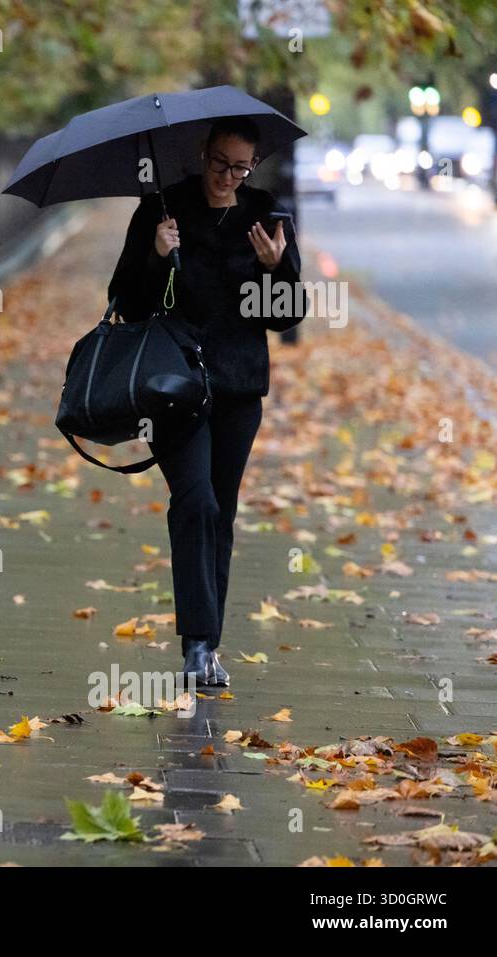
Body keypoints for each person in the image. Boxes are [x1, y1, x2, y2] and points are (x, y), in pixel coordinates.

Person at [106, 116, 305, 687]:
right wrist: (154, 253)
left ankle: (209, 644)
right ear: (202, 153)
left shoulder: (266, 214)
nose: (228, 176)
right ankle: (196, 644)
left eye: (241, 167)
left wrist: (276, 269)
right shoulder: (161, 209)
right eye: (220, 163)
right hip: (173, 388)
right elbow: (125, 302)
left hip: (239, 390)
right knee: (194, 502)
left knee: (221, 510)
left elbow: (286, 317)